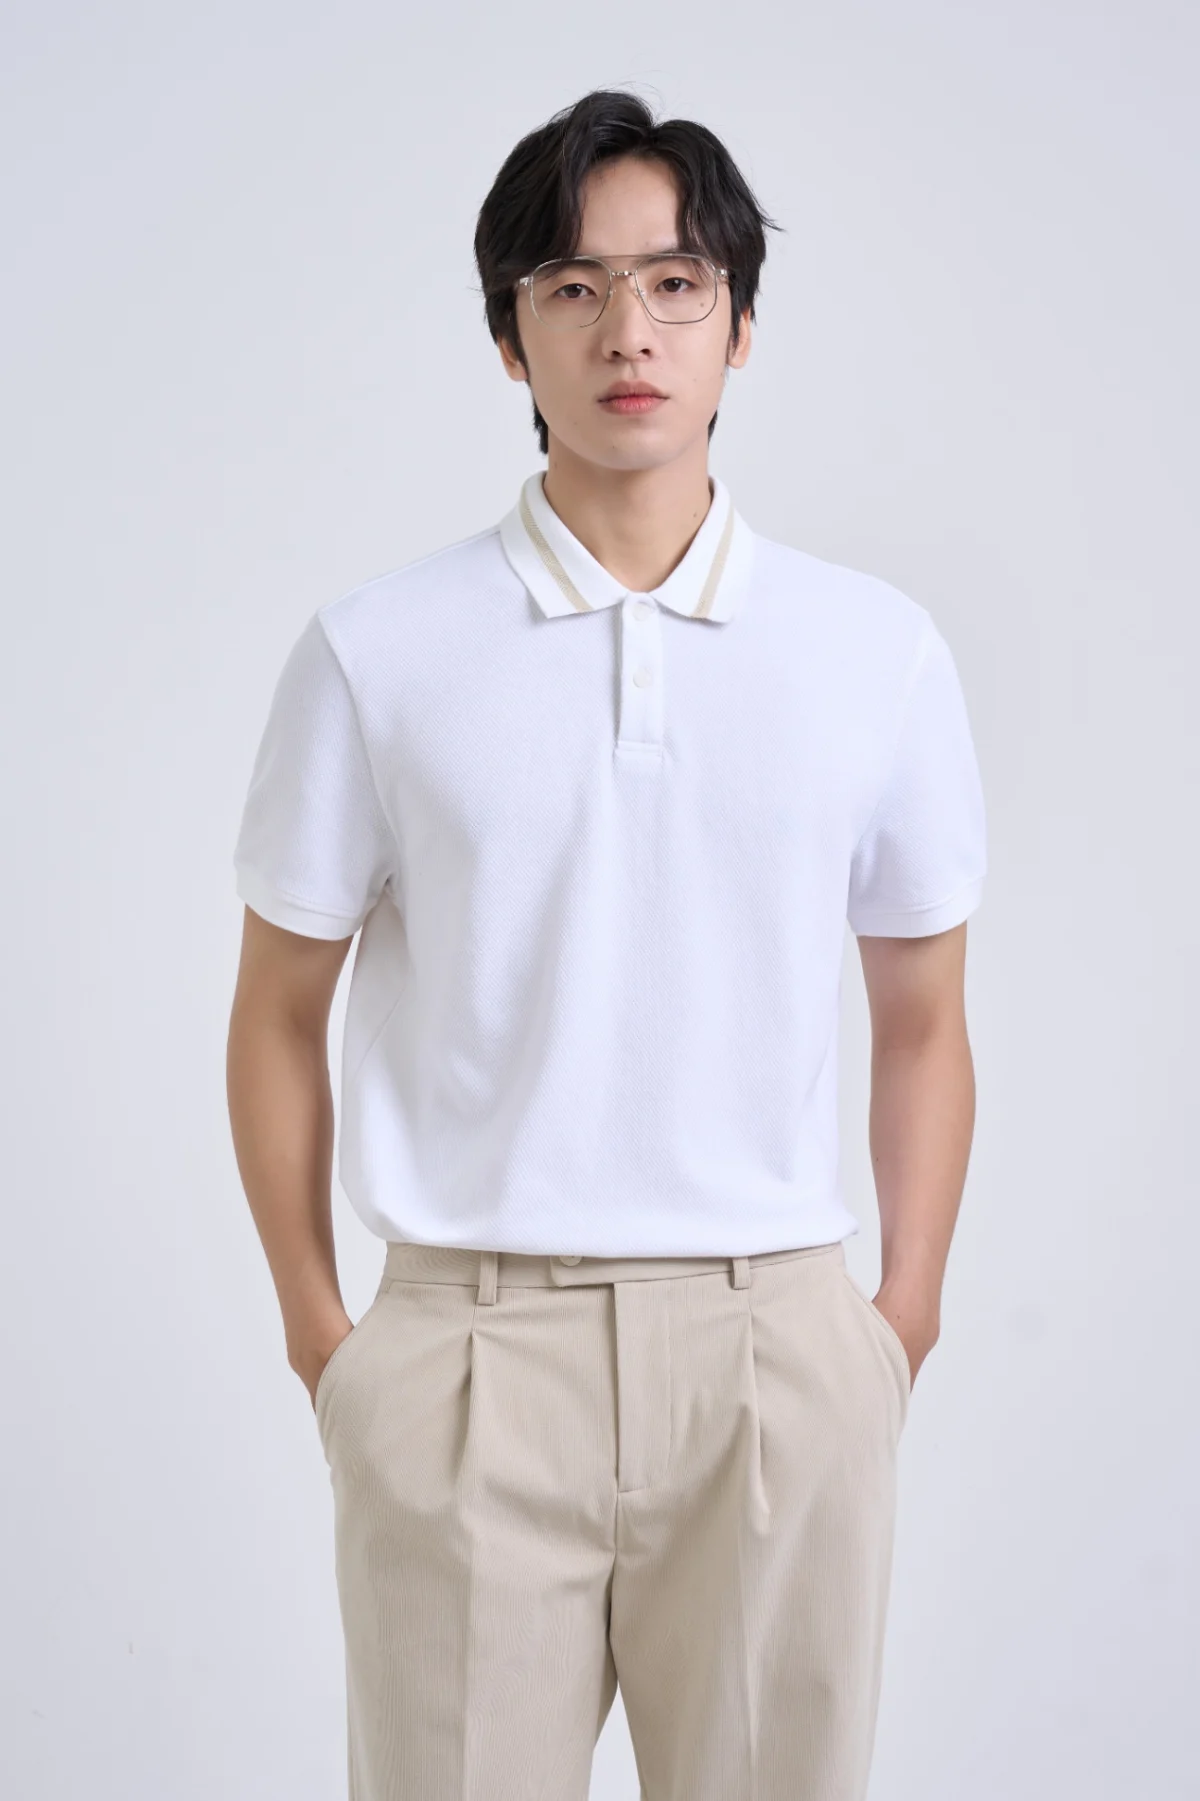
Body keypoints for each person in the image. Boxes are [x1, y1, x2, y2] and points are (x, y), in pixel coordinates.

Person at [226, 85, 986, 1801]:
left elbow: (925, 1013)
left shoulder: (874, 654)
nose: (627, 331)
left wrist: (899, 1322)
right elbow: (277, 1010)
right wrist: (327, 1343)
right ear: (511, 338)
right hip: (469, 1356)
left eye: (674, 283)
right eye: (572, 287)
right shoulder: (377, 653)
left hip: (776, 1349)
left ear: (738, 325)